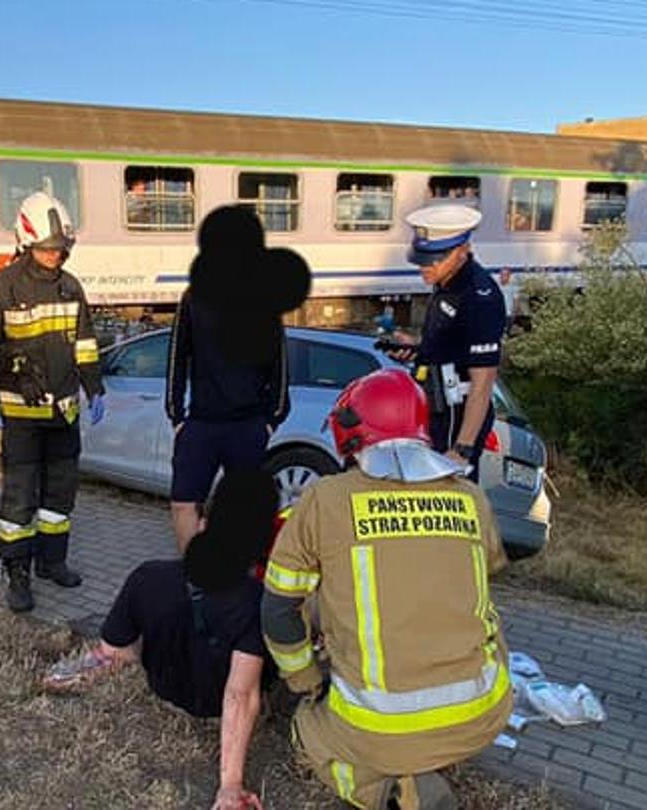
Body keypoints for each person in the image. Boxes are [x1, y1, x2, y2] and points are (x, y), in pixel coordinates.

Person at [262, 369, 512, 810]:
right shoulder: (471, 498)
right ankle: (430, 756)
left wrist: (307, 681)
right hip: (483, 711)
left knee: (306, 729)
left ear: (348, 431)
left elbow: (279, 609)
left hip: (380, 724)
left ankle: (391, 790)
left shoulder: (326, 499)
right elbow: (482, 573)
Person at [42, 470, 277, 810]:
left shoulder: (148, 575)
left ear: (202, 525)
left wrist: (68, 673)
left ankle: (60, 677)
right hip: (216, 703)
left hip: (166, 690)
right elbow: (240, 695)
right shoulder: (257, 601)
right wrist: (230, 785)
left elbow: (112, 650)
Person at [0, 191, 104, 612]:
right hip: (20, 416)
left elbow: (84, 344)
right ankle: (17, 574)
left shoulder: (70, 286)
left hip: (63, 413)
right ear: (26, 242)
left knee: (59, 498)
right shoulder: (0, 288)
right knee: (18, 501)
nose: (54, 255)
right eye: (47, 248)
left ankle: (52, 562)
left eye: (60, 248)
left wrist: (95, 387)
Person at [382, 204, 506, 474]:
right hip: (434, 405)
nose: (425, 266)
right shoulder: (445, 282)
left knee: (447, 493)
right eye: (422, 258)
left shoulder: (478, 298)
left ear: (462, 251)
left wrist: (462, 449)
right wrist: (417, 347)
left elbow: (483, 381)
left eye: (435, 258)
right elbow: (452, 345)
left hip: (456, 416)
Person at [164, 286, 288, 552]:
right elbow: (177, 355)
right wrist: (176, 416)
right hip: (201, 423)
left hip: (248, 425)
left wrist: (272, 420)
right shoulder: (193, 296)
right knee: (182, 503)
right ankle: (192, 570)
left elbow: (279, 362)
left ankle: (236, 571)